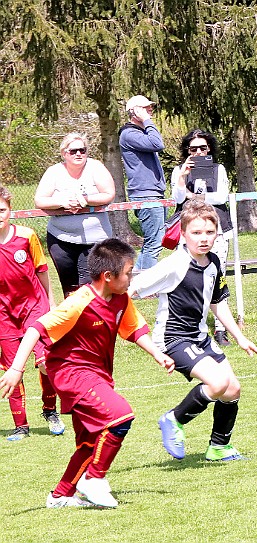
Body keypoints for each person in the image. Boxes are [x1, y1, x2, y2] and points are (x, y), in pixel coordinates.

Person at [0, 238, 174, 508]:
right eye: (128, 272)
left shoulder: (120, 299)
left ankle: (60, 496)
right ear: (108, 276)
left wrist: (157, 354)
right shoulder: (78, 302)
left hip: (97, 374)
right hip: (71, 373)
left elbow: (134, 329)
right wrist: (16, 369)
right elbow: (36, 328)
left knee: (90, 441)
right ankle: (94, 479)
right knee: (119, 416)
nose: (131, 277)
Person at [128, 201, 257, 462]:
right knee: (218, 383)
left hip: (200, 337)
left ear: (217, 234)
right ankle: (173, 419)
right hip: (174, 338)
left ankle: (218, 447)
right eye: (196, 233)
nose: (204, 239)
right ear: (183, 234)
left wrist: (240, 337)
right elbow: (134, 287)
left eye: (209, 233)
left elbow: (217, 303)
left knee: (232, 389)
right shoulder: (175, 264)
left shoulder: (213, 262)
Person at [0, 185, 63, 441]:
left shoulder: (26, 236)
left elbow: (42, 271)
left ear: (10, 209)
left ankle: (50, 411)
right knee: (12, 369)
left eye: (2, 209)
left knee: (46, 362)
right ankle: (21, 426)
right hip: (4, 315)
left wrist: (50, 303)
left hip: (34, 308)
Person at [171, 128, 236, 346]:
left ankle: (220, 330)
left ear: (210, 149)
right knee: (188, 277)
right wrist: (182, 177)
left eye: (203, 148)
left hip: (216, 229)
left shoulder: (219, 169)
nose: (198, 152)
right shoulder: (179, 170)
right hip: (188, 231)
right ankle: (190, 326)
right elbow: (177, 198)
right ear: (187, 150)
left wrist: (196, 196)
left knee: (218, 277)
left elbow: (221, 197)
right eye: (193, 149)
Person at [35, 132, 116, 297]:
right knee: (69, 287)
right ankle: (72, 321)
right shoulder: (54, 172)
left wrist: (85, 200)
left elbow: (109, 194)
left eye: (82, 150)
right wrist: (62, 202)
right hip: (60, 240)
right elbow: (40, 200)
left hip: (95, 240)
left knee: (90, 286)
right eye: (73, 151)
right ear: (64, 153)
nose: (79, 154)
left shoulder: (96, 167)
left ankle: (93, 319)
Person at [119, 94, 168, 270]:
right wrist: (147, 120)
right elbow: (157, 143)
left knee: (155, 241)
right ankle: (146, 284)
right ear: (134, 112)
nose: (150, 110)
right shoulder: (129, 134)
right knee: (154, 242)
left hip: (153, 193)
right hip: (145, 195)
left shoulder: (139, 133)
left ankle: (138, 281)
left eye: (150, 107)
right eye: (145, 107)